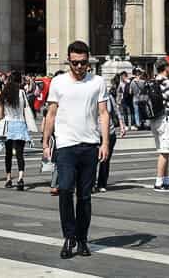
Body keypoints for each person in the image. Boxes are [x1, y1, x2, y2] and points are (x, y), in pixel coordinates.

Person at [42, 40, 109, 260]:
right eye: (74, 63)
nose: (79, 67)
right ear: (68, 61)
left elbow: (103, 113)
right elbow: (51, 114)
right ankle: (69, 236)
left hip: (90, 145)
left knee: (85, 197)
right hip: (66, 146)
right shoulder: (58, 82)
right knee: (64, 190)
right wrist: (45, 143)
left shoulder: (98, 82)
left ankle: (82, 239)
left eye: (82, 63)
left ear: (88, 60)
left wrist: (105, 142)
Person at [0, 70, 34, 191]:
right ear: (19, 81)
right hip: (20, 124)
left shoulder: (4, 93)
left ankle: (8, 178)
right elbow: (25, 109)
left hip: (8, 125)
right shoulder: (22, 93)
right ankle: (20, 178)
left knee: (8, 154)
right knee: (19, 154)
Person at [150, 58, 169, 192]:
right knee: (165, 151)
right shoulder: (167, 82)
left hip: (154, 118)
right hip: (164, 118)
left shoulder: (154, 80)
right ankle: (159, 181)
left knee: (163, 150)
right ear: (166, 68)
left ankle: (166, 179)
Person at [96, 74, 128, 193]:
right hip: (94, 133)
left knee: (105, 159)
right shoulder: (90, 97)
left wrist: (122, 125)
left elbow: (116, 111)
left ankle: (102, 183)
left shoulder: (109, 97)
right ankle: (89, 183)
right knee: (92, 160)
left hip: (109, 132)